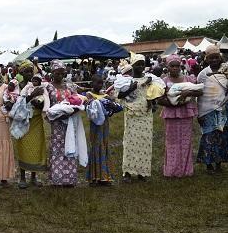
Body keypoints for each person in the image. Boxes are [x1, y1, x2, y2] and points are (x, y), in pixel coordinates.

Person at [196, 45, 228, 173]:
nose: (214, 60)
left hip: (224, 108)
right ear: (206, 59)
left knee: (222, 136)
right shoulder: (203, 74)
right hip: (207, 110)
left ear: (220, 57)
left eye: (216, 57)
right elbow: (199, 94)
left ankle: (219, 163)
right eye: (211, 58)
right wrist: (199, 114)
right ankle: (209, 165)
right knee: (208, 136)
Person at [158, 55, 202, 178]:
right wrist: (172, 103)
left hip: (186, 113)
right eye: (172, 66)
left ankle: (186, 170)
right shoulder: (164, 81)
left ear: (180, 66)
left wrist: (189, 92)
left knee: (186, 141)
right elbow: (158, 99)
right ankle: (171, 170)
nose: (175, 68)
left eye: (177, 66)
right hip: (171, 114)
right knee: (171, 142)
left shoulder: (188, 79)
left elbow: (200, 91)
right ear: (167, 67)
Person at [117, 54, 153, 183]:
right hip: (132, 114)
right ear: (132, 65)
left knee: (145, 142)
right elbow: (120, 95)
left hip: (146, 114)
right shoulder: (126, 80)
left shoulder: (149, 79)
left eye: (142, 64)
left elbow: (154, 93)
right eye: (138, 64)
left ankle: (141, 172)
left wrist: (152, 102)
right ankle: (127, 172)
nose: (141, 66)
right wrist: (133, 87)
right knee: (130, 142)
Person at [46, 60, 81, 187]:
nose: (60, 75)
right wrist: (56, 114)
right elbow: (46, 106)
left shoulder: (70, 86)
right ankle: (57, 177)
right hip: (56, 121)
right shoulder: (48, 87)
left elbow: (78, 100)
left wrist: (73, 110)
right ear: (52, 72)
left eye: (62, 73)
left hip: (70, 120)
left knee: (70, 144)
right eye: (57, 73)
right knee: (57, 146)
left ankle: (69, 177)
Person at [14, 60, 47, 188]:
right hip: (23, 120)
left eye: (31, 71)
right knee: (23, 147)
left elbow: (45, 98)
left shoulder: (40, 84)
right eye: (26, 71)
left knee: (36, 147)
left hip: (36, 120)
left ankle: (34, 176)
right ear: (21, 73)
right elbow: (16, 103)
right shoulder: (18, 85)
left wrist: (41, 103)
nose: (29, 74)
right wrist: (31, 96)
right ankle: (22, 177)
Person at [85, 74, 119, 185]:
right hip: (95, 126)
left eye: (101, 83)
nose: (100, 85)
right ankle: (95, 176)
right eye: (97, 82)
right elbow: (89, 109)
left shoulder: (104, 95)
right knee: (96, 146)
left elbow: (112, 106)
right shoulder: (89, 95)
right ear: (92, 83)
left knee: (104, 145)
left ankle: (104, 176)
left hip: (104, 124)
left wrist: (110, 101)